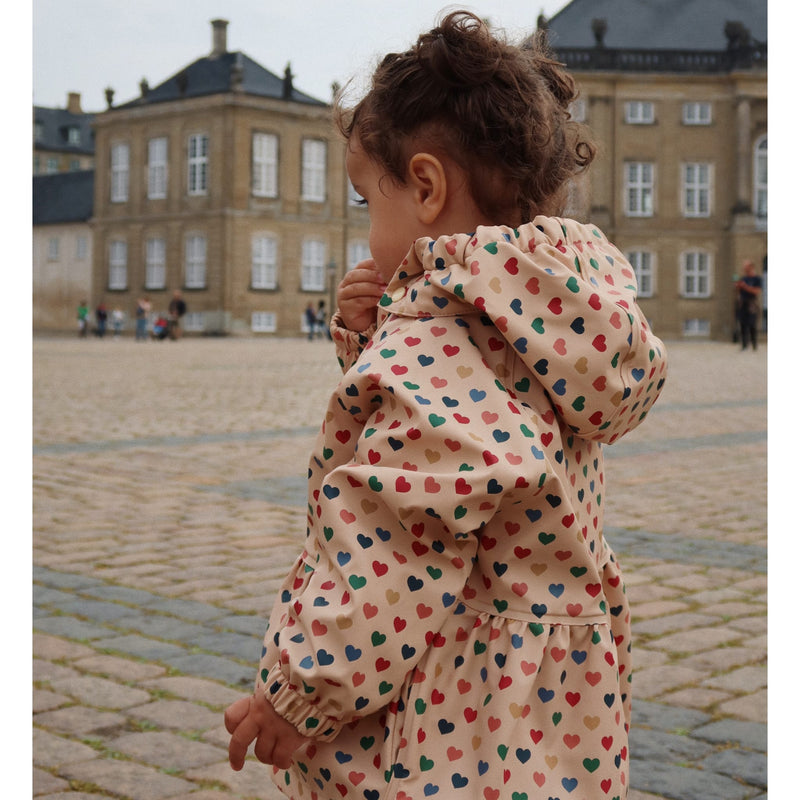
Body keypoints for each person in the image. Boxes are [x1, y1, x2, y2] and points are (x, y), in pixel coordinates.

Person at [224, 12, 667, 799]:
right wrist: (376, 341)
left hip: (451, 705)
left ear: (426, 187)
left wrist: (300, 695)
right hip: (550, 702)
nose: (368, 231)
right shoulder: (546, 315)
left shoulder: (440, 342)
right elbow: (477, 448)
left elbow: (399, 541)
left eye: (368, 201)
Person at [735, 260, 762, 350]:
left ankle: (754, 344)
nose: (744, 268)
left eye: (746, 267)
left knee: (752, 324)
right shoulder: (743, 278)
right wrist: (738, 287)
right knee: (742, 324)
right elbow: (739, 292)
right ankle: (744, 345)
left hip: (752, 303)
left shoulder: (757, 279)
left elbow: (756, 291)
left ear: (751, 267)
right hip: (743, 302)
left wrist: (745, 286)